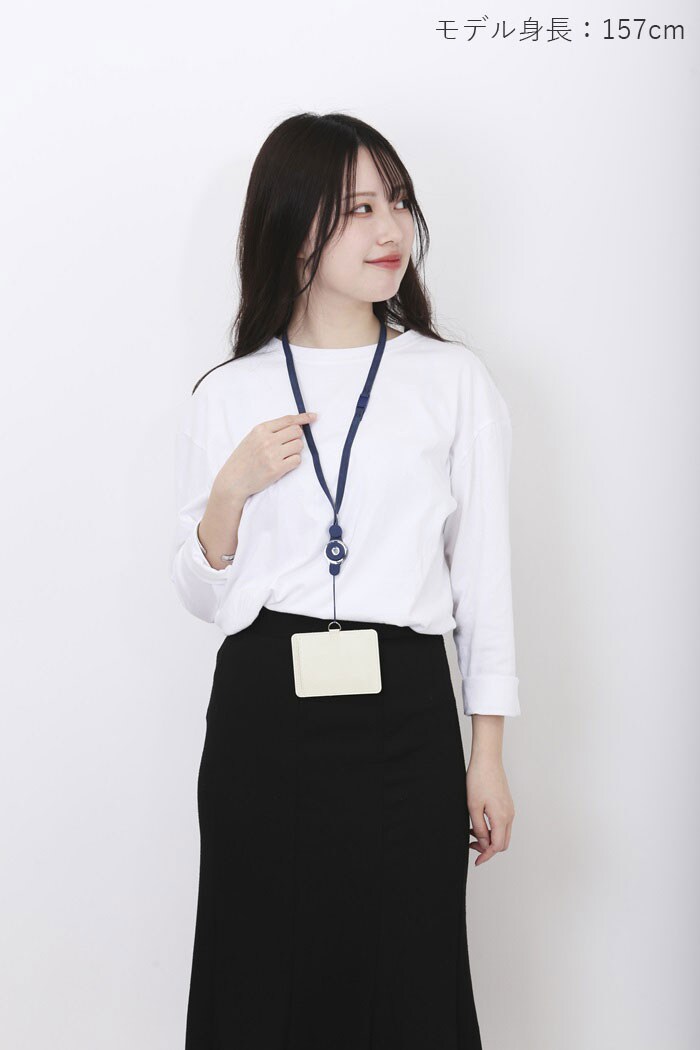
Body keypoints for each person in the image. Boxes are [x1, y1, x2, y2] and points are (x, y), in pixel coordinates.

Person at [170, 111, 521, 1050]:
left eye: (396, 203)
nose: (390, 230)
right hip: (263, 715)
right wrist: (231, 490)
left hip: (406, 711)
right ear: (294, 228)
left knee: (408, 974)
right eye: (358, 209)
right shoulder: (229, 392)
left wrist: (486, 753)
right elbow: (204, 598)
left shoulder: (451, 381)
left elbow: (484, 583)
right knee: (259, 972)